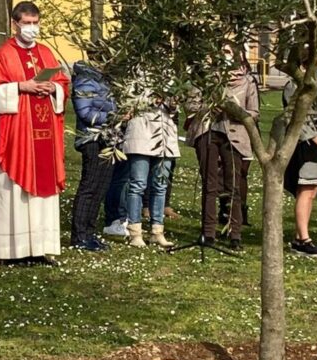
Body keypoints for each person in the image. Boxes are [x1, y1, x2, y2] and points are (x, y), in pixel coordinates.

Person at [0, 1, 70, 263]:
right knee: (13, 191)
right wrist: (20, 87)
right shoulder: (4, 54)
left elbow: (63, 83)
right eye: (27, 23)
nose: (32, 28)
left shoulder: (46, 52)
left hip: (45, 136)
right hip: (17, 136)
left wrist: (54, 89)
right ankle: (13, 251)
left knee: (44, 192)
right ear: (14, 24)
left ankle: (41, 248)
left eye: (35, 22)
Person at [187, 48, 260, 250]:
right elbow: (191, 105)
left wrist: (235, 111)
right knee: (209, 184)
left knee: (234, 185)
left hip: (234, 136)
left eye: (230, 51)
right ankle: (208, 232)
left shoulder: (247, 81)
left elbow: (254, 112)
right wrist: (209, 108)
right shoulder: (205, 78)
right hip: (208, 132)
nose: (226, 55)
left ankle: (234, 233)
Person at [282, 59, 317, 258]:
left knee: (312, 190)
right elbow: (298, 118)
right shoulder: (293, 86)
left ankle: (300, 236)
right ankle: (303, 239)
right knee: (305, 189)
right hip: (304, 144)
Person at [121, 82, 178, 249]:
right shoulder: (135, 77)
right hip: (140, 134)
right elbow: (128, 103)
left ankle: (157, 231)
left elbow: (173, 111)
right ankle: (135, 232)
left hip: (164, 138)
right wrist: (150, 100)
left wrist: (172, 103)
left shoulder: (169, 79)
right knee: (138, 185)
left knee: (160, 185)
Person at [70, 51, 117, 251]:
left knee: (101, 187)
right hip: (92, 139)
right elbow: (84, 112)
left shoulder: (104, 82)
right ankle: (79, 235)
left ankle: (90, 232)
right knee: (89, 187)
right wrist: (112, 117)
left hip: (108, 139)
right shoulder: (85, 80)